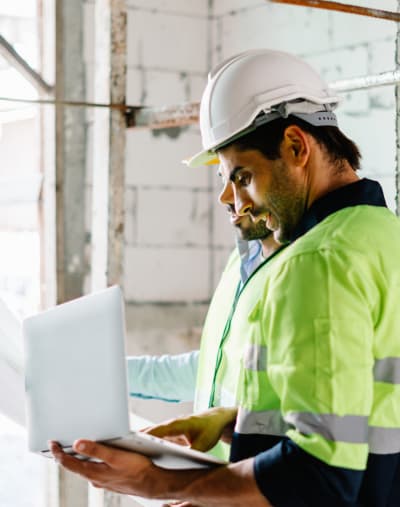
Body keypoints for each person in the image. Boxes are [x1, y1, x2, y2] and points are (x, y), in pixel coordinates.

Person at [50, 49, 400, 507]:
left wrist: (158, 482)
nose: (231, 199)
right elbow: (364, 407)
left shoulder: (317, 259)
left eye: (244, 175)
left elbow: (320, 478)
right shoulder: (382, 236)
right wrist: (233, 419)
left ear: (297, 147)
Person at [127, 211, 280, 460]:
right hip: (218, 477)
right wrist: (106, 374)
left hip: (259, 481)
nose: (227, 197)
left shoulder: (300, 268)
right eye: (222, 176)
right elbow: (210, 369)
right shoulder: (240, 259)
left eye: (243, 177)